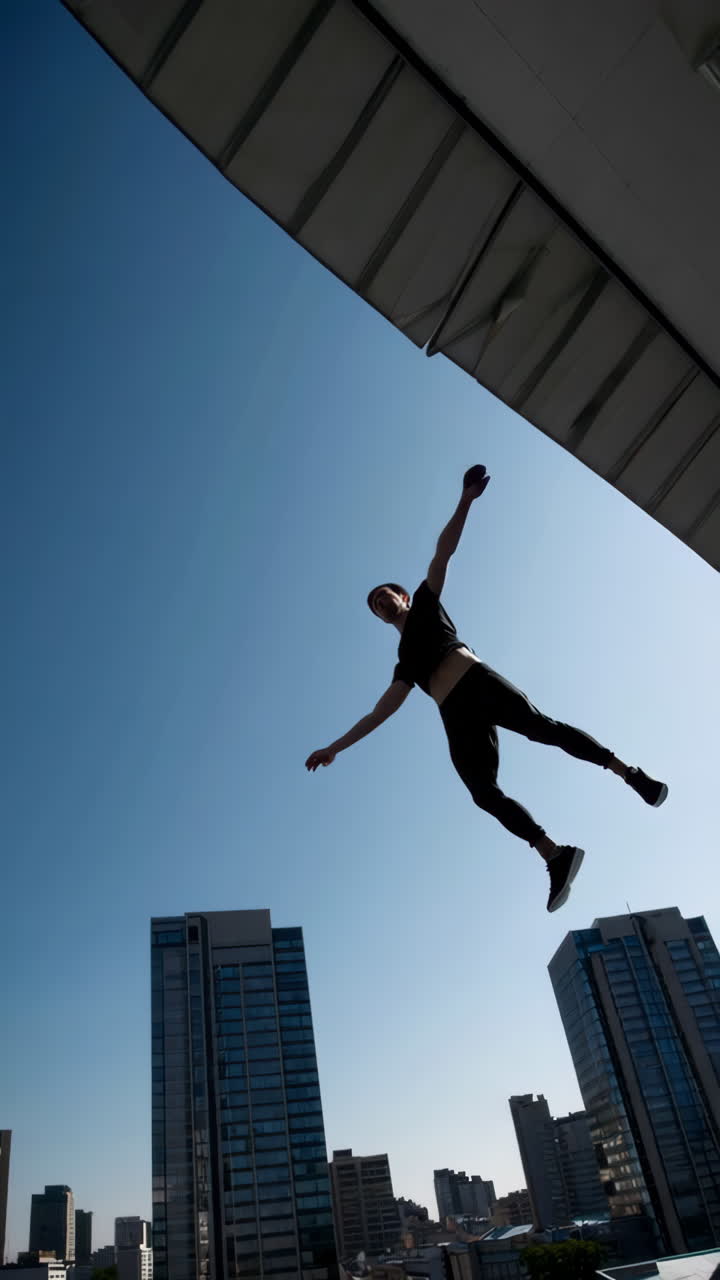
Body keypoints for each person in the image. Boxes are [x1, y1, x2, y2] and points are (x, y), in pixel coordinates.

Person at [305, 467, 668, 912]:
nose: (381, 603)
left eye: (385, 595)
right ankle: (555, 855)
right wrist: (334, 748)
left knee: (544, 730)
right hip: (455, 715)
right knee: (482, 792)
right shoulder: (403, 663)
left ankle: (630, 774)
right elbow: (379, 713)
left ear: (403, 597)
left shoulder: (426, 604)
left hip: (479, 684)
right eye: (375, 605)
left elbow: (443, 554)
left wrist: (465, 501)